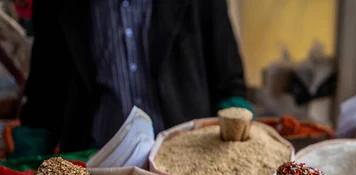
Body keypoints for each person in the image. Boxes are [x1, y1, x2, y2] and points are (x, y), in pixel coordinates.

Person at [19, 0, 249, 153]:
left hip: (189, 160)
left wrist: (236, 131)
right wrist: (27, 158)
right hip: (97, 165)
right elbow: (44, 93)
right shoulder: (57, 4)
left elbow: (229, 81)